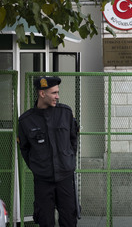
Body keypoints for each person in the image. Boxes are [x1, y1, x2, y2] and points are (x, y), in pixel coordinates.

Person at [18, 76, 78, 227]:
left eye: (58, 92)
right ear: (42, 94)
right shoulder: (26, 121)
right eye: (54, 93)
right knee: (45, 220)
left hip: (65, 177)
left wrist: (68, 161)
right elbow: (24, 149)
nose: (57, 96)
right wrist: (39, 167)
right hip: (43, 180)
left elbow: (73, 140)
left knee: (69, 219)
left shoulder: (65, 113)